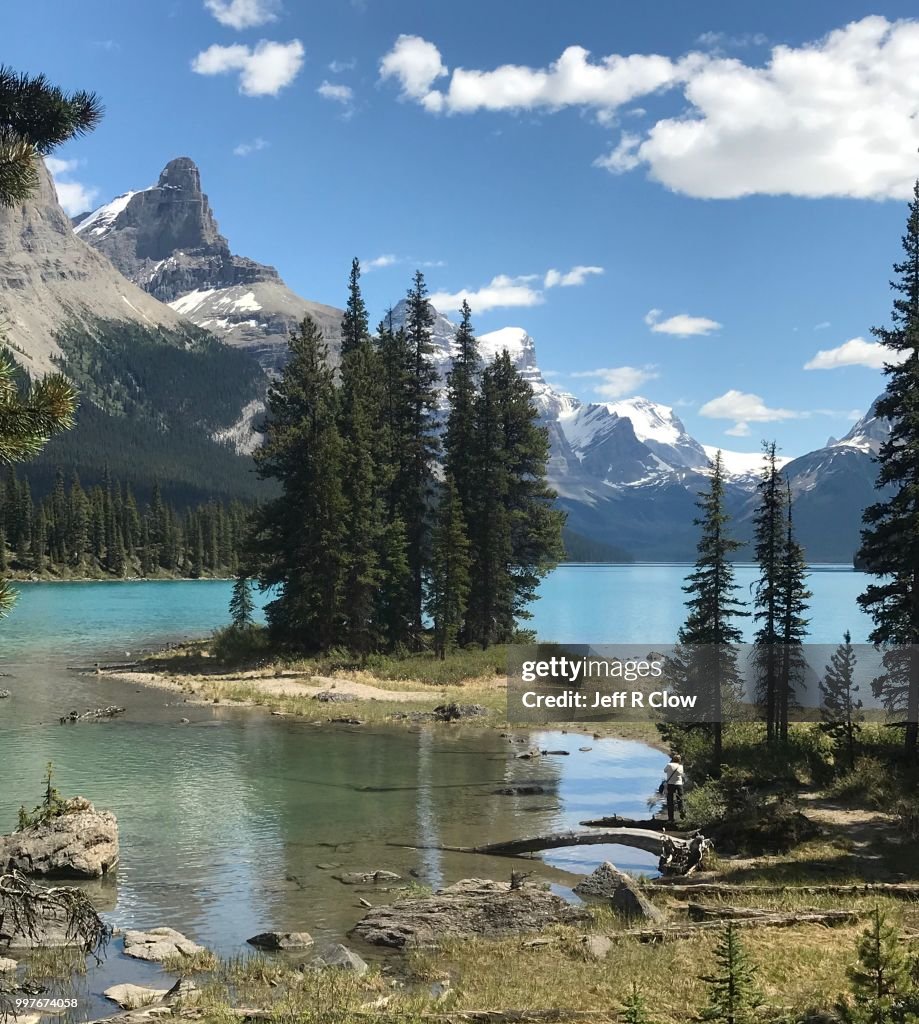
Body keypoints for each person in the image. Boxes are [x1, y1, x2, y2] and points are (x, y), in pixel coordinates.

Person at [661, 753, 685, 823]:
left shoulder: (669, 765)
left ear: (672, 759)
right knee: (680, 800)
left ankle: (671, 818)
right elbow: (681, 774)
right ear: (679, 760)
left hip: (670, 784)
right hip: (679, 784)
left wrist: (670, 763)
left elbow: (665, 770)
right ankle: (682, 816)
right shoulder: (680, 766)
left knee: (670, 801)